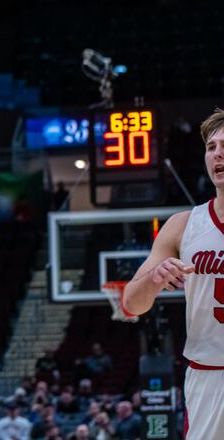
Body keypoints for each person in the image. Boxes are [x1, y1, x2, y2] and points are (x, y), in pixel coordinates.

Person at [123, 108, 224, 439]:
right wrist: (154, 279)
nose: (218, 153)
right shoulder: (183, 225)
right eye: (211, 147)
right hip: (210, 376)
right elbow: (131, 304)